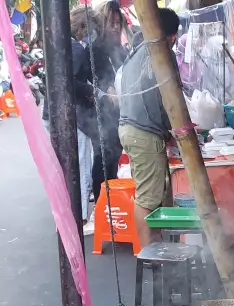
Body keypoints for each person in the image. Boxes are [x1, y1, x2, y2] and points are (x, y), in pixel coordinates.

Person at [118, 7, 180, 247]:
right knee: (147, 198)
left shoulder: (137, 48)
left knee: (150, 193)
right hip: (143, 133)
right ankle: (149, 254)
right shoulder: (159, 51)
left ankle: (154, 245)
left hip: (131, 129)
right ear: (172, 36)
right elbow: (171, 98)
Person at [42, 6, 97, 232]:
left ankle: (66, 218)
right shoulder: (76, 49)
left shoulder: (58, 44)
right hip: (71, 118)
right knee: (79, 168)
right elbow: (70, 82)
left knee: (62, 169)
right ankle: (79, 218)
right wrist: (91, 91)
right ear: (83, 27)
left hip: (54, 114)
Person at [88, 0, 128, 204]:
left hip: (119, 115)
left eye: (117, 22)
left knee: (115, 157)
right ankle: (101, 203)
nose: (114, 26)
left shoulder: (121, 50)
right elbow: (90, 79)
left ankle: (112, 203)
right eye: (110, 22)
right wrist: (105, 89)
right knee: (103, 158)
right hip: (100, 116)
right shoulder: (95, 50)